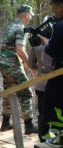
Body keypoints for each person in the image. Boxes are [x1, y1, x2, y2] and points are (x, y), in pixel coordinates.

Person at [0, 5, 38, 134]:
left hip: (3, 63)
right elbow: (20, 50)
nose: (31, 17)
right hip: (10, 64)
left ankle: (5, 123)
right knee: (26, 92)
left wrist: (25, 65)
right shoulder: (20, 28)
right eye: (30, 15)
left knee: (9, 91)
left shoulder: (12, 26)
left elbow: (15, 50)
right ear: (26, 14)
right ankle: (29, 125)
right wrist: (31, 65)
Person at [39, 0, 63, 140]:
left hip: (59, 74)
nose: (53, 11)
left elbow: (52, 50)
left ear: (61, 7)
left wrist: (46, 42)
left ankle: (44, 145)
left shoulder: (60, 26)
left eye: (54, 7)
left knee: (49, 107)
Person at [28, 45, 53, 141]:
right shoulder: (56, 44)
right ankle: (56, 137)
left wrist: (39, 68)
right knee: (56, 111)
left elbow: (30, 64)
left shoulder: (36, 47)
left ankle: (42, 136)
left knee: (42, 111)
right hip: (55, 82)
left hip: (40, 83)